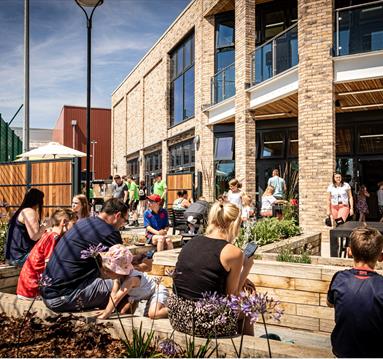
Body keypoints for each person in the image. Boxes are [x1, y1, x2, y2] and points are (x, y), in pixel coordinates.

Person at [168, 202, 255, 337]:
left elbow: (203, 274)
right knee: (249, 309)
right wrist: (246, 268)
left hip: (177, 315)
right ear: (234, 225)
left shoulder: (192, 242)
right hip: (203, 322)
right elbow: (232, 298)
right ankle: (249, 352)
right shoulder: (233, 252)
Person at [40, 198, 129, 312]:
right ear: (117, 215)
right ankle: (120, 323)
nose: (123, 225)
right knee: (129, 285)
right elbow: (122, 265)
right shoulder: (110, 232)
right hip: (63, 296)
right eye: (125, 220)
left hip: (47, 292)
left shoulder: (83, 222)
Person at [327, 227, 383, 358]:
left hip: (342, 352)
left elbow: (330, 303)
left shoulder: (338, 278)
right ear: (380, 256)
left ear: (349, 251)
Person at [16, 209, 78, 300]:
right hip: (32, 289)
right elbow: (49, 266)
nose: (75, 228)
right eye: (74, 224)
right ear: (64, 222)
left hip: (26, 287)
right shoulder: (53, 237)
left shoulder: (48, 234)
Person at [97, 244, 168, 320]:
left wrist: (105, 315)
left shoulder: (131, 279)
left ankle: (175, 310)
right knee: (126, 312)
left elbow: (116, 298)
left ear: (118, 271)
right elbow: (113, 294)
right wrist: (107, 310)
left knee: (153, 314)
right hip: (143, 295)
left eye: (108, 270)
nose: (105, 273)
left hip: (157, 291)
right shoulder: (118, 278)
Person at [5, 188, 46, 267]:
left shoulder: (20, 211)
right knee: (53, 256)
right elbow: (35, 236)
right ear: (38, 201)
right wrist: (46, 225)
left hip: (12, 257)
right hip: (21, 257)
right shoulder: (29, 211)